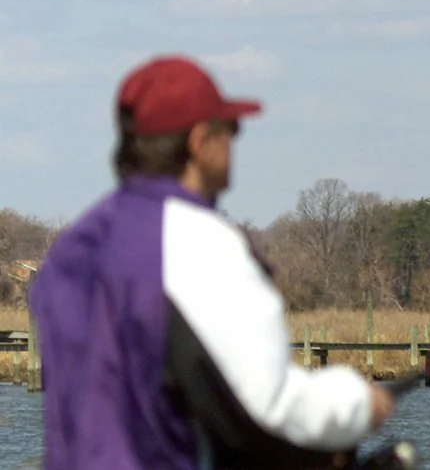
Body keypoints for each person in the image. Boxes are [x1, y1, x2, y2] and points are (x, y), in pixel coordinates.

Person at [28, 55, 395, 469]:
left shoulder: (73, 248)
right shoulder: (197, 240)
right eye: (230, 130)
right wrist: (357, 404)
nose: (235, 143)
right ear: (200, 142)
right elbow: (269, 405)